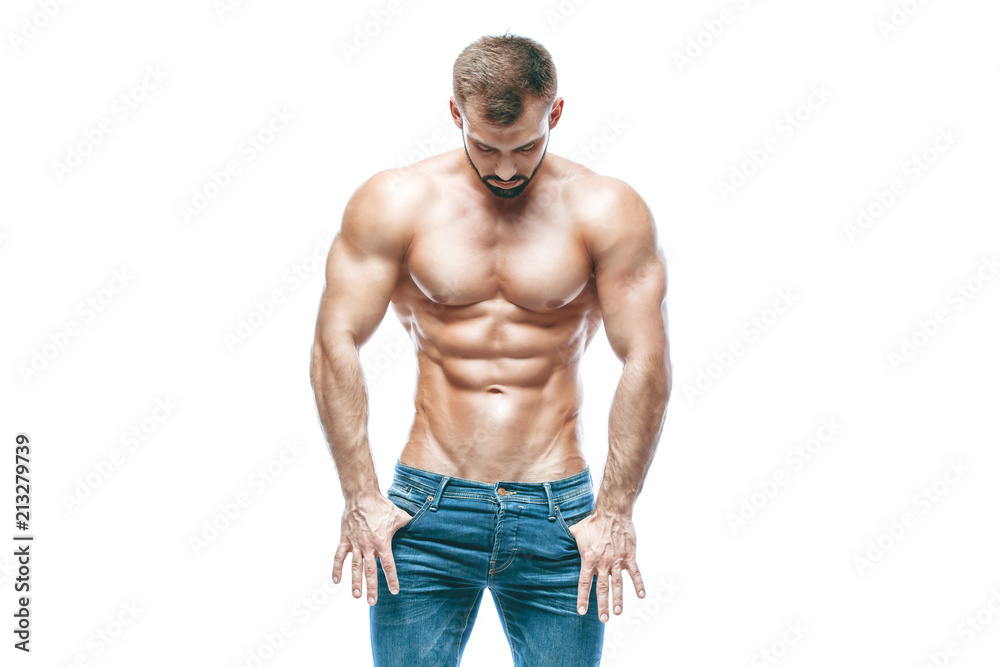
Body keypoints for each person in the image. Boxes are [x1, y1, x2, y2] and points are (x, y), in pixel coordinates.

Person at [309, 32, 671, 666]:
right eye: (486, 148)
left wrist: (615, 509)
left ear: (555, 114)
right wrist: (361, 496)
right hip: (425, 512)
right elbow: (333, 340)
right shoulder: (396, 202)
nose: (506, 169)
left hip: (558, 512)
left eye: (527, 147)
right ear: (456, 113)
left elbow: (646, 358)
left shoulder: (606, 208)